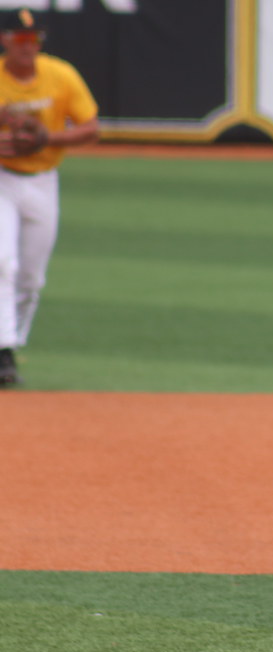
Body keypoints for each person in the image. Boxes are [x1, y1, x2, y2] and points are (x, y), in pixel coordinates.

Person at [0, 8, 99, 386]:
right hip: (3, 179)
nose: (29, 45)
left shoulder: (60, 75)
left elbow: (91, 128)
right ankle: (3, 351)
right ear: (5, 39)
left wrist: (47, 139)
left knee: (31, 277)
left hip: (43, 180)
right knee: (2, 262)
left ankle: (13, 342)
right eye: (21, 38)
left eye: (34, 38)